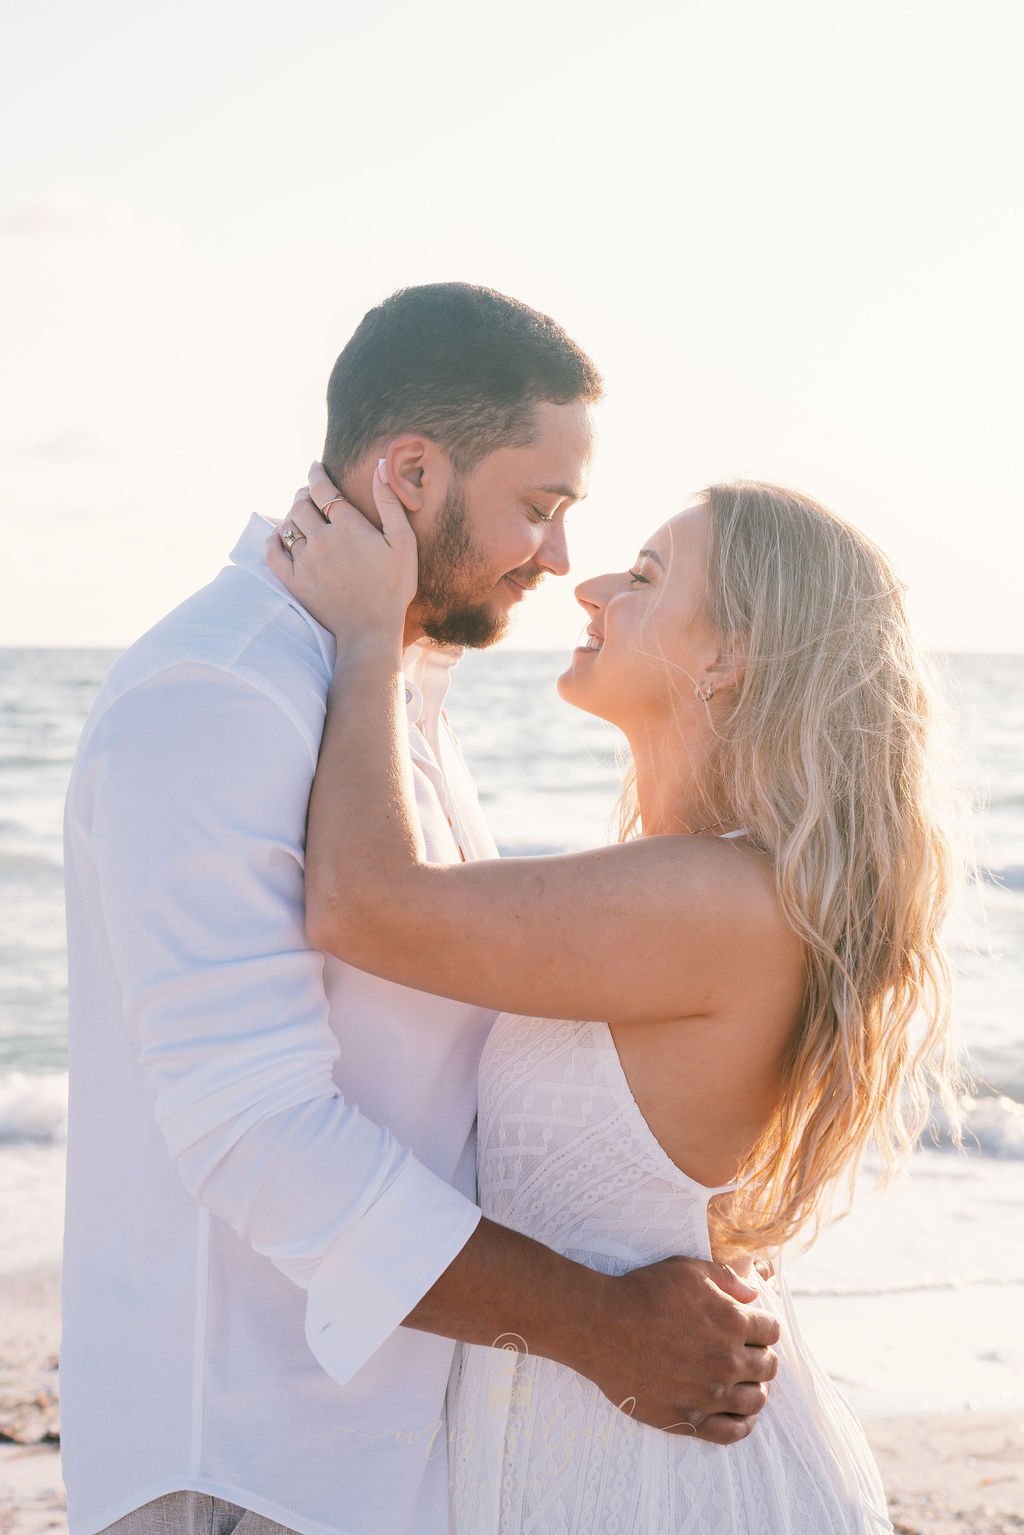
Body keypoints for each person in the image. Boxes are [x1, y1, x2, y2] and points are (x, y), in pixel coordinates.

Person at [60, 283, 779, 1535]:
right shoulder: (218, 695)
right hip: (248, 1459)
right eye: (539, 506)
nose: (558, 559)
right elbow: (256, 1131)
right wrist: (600, 1324)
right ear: (408, 473)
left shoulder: (372, 682)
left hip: (388, 1446)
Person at [269, 462, 964, 1534]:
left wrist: (374, 638)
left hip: (671, 1484)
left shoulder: (715, 897)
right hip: (613, 1456)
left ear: (732, 653)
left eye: (643, 573)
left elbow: (363, 904)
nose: (591, 586)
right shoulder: (696, 881)